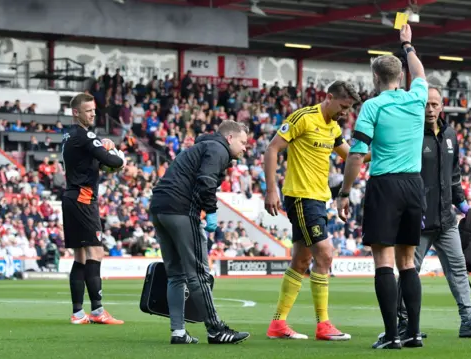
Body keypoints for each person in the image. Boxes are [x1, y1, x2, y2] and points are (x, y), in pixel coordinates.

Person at [337, 24, 427, 350]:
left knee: (384, 261)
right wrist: (408, 45)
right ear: (400, 77)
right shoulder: (418, 99)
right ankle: (414, 333)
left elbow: (357, 154)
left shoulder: (372, 107)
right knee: (408, 261)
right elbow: (421, 74)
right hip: (414, 186)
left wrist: (345, 193)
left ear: (375, 79)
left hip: (385, 185)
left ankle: (391, 335)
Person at [390, 84, 471, 341]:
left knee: (458, 269)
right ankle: (403, 323)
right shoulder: (411, 134)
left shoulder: (450, 134)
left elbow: (453, 176)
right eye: (426, 104)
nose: (430, 109)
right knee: (409, 272)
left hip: (446, 219)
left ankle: (469, 320)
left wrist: (463, 205)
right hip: (417, 219)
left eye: (434, 104)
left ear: (442, 106)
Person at [264, 80, 366, 341]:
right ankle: (324, 324)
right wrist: (271, 190)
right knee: (325, 254)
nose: (345, 112)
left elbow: (351, 155)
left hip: (318, 200)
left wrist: (384, 149)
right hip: (301, 197)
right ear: (329, 97)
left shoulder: (332, 127)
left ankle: (278, 324)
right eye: (343, 106)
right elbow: (273, 148)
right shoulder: (303, 118)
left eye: (349, 108)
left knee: (300, 261)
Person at [149, 120, 250, 345]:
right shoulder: (218, 148)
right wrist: (211, 212)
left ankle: (178, 332)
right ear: (230, 138)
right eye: (243, 142)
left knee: (175, 274)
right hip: (181, 210)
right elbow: (206, 180)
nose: (246, 148)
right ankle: (216, 330)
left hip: (159, 208)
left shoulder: (201, 147)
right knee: (198, 274)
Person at [62, 93, 126, 325]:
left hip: (72, 197)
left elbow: (89, 161)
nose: (92, 114)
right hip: (83, 199)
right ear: (76, 112)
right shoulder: (85, 135)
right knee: (96, 253)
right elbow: (114, 162)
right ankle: (98, 311)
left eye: (94, 110)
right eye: (88, 110)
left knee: (80, 256)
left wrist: (101, 161)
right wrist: (117, 157)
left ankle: (78, 313)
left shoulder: (69, 135)